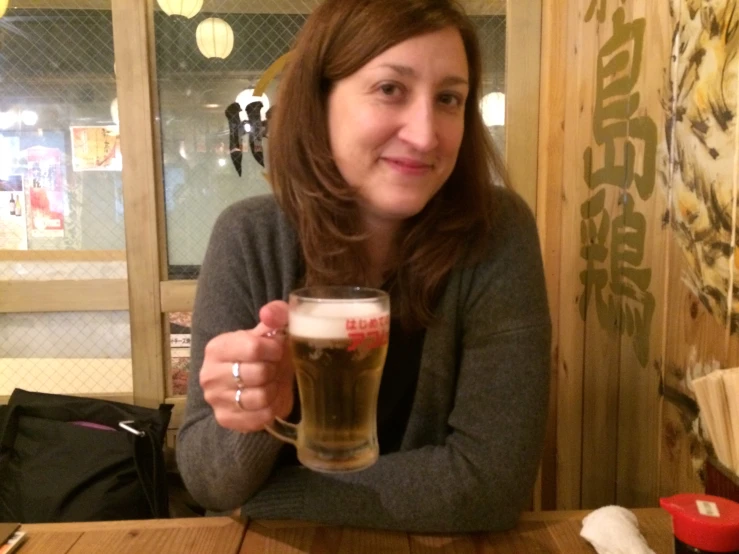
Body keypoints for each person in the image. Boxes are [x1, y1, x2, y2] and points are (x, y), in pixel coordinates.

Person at [177, 0, 551, 533]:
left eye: (449, 99)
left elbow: (490, 486)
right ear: (319, 101)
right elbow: (207, 480)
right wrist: (257, 415)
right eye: (390, 89)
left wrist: (265, 500)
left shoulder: (496, 233)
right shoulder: (250, 237)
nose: (425, 135)